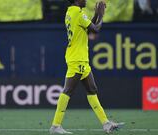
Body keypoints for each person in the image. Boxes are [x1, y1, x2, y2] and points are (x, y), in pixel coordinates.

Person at [49, 0, 124, 134]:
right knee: (68, 90)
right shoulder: (78, 13)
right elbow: (95, 29)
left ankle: (106, 123)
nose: (86, 0)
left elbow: (88, 27)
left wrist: (96, 14)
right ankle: (56, 125)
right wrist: (101, 14)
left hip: (81, 58)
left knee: (92, 89)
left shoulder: (71, 12)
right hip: (77, 59)